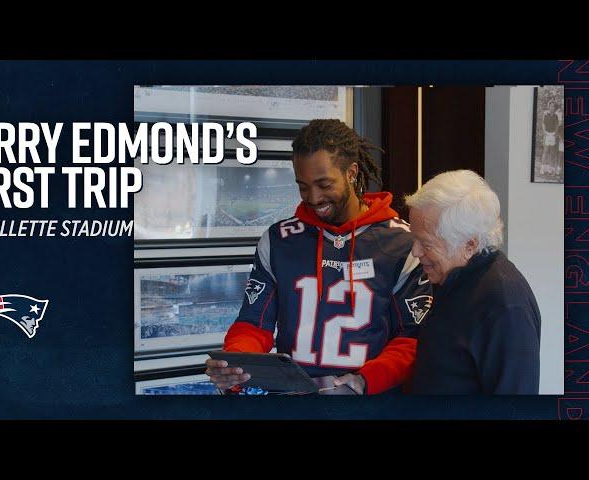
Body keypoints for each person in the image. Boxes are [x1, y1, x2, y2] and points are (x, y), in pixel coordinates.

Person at [205, 119, 432, 394]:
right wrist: (235, 363)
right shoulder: (278, 241)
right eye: (303, 186)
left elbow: (412, 338)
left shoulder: (403, 244)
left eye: (324, 184)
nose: (313, 198)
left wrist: (366, 380)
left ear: (351, 173)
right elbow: (254, 325)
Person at [405, 170, 541, 394]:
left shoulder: (504, 305)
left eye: (426, 243)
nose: (415, 251)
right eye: (415, 239)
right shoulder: (455, 278)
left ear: (470, 244)